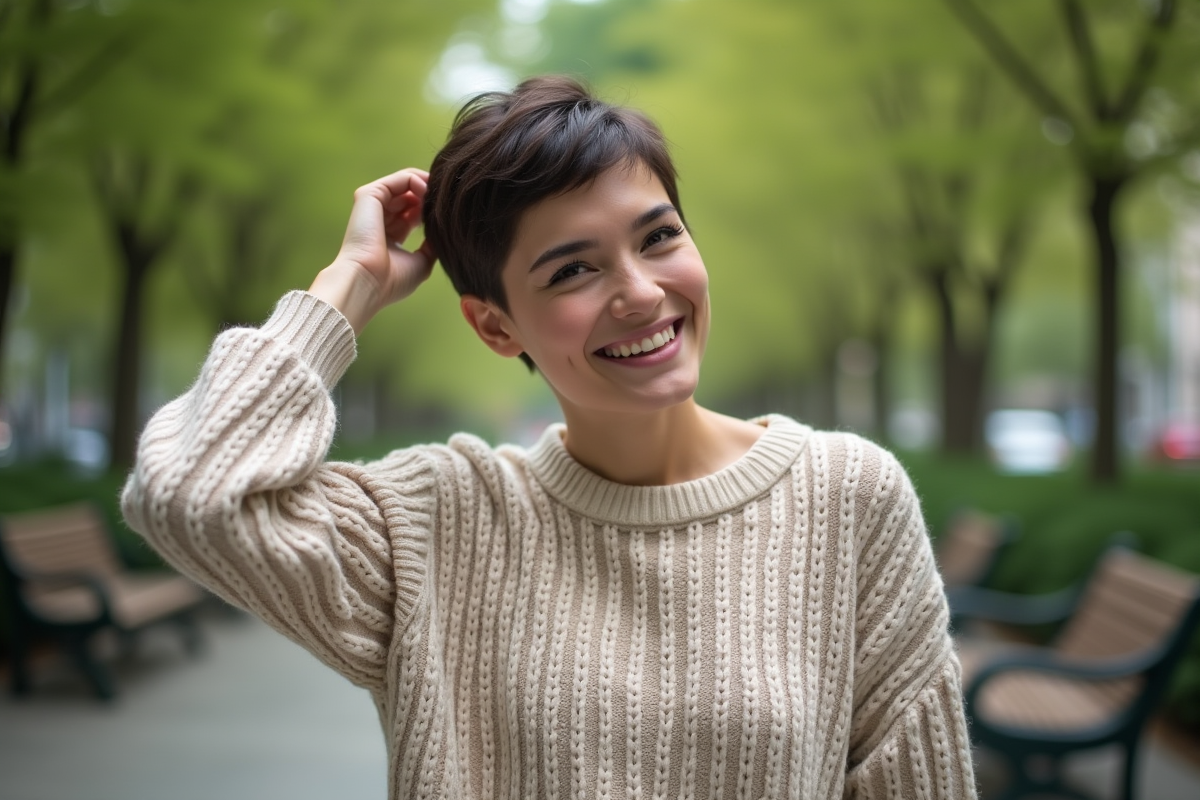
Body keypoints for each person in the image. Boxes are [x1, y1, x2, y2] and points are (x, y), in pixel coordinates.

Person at [122, 75, 978, 799]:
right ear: (496, 328)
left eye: (660, 237)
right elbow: (191, 493)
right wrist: (348, 287)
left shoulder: (846, 496)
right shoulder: (439, 523)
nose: (641, 293)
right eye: (573, 269)